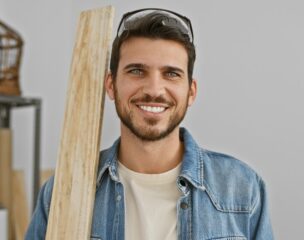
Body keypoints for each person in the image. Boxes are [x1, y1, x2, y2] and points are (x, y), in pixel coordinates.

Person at [26, 8, 274, 240]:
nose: (154, 90)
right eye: (136, 71)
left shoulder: (241, 188)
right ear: (111, 85)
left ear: (191, 91)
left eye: (171, 74)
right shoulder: (64, 192)